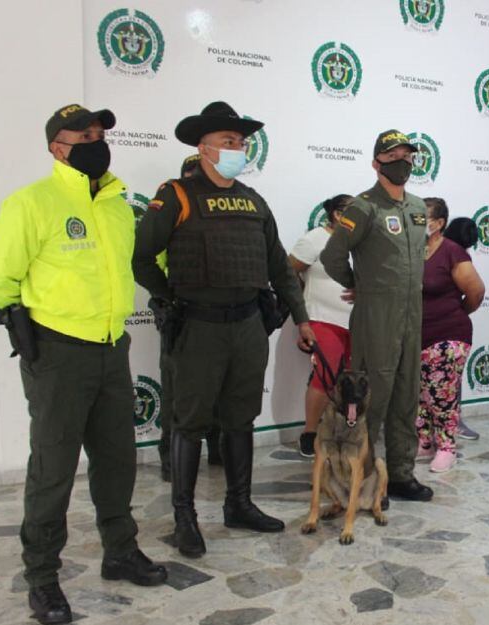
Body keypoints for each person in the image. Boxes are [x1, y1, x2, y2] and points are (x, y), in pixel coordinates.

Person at [0, 103, 167, 624]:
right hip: (58, 354)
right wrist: (19, 319)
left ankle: (120, 551)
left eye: (100, 134)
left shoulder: (117, 205)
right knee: (53, 469)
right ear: (57, 148)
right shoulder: (31, 202)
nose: (96, 142)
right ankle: (42, 578)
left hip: (111, 347)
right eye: (84, 136)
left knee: (117, 459)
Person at [133, 101, 316, 558]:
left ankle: (239, 505)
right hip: (198, 326)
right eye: (228, 141)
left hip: (248, 326)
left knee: (240, 418)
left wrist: (301, 317)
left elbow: (279, 267)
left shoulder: (253, 200)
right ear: (204, 147)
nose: (238, 148)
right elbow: (141, 259)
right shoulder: (176, 194)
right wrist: (169, 298)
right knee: (190, 423)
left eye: (241, 142)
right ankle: (185, 518)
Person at [321, 129, 434, 502]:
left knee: (406, 396)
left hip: (411, 314)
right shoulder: (363, 207)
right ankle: (365, 479)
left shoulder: (417, 207)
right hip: (377, 316)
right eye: (393, 156)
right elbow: (332, 255)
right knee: (371, 399)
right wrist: (360, 284)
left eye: (407, 155)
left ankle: (401, 474)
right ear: (376, 163)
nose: (402, 162)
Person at [157, 154, 223, 482]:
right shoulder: (171, 208)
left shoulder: (221, 209)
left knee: (219, 386)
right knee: (177, 389)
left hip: (216, 312)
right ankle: (171, 458)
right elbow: (153, 259)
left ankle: (217, 449)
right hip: (179, 309)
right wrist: (169, 298)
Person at [416, 198, 485, 472]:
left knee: (442, 395)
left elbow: (476, 292)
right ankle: (424, 442)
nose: (416, 222)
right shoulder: (413, 249)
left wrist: (455, 312)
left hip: (448, 334)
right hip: (416, 334)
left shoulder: (452, 252)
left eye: (421, 218)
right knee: (420, 394)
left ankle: (447, 448)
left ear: (439, 223)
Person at [288, 194, 355, 458]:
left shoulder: (360, 241)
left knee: (353, 380)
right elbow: (288, 273)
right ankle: (310, 433)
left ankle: (346, 431)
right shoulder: (314, 239)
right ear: (337, 214)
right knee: (325, 375)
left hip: (358, 321)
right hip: (323, 318)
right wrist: (301, 307)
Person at [441, 217, 482, 442]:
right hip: (428, 326)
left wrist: (458, 312)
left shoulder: (457, 256)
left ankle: (453, 423)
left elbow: (476, 292)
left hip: (449, 329)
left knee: (451, 379)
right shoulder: (443, 253)